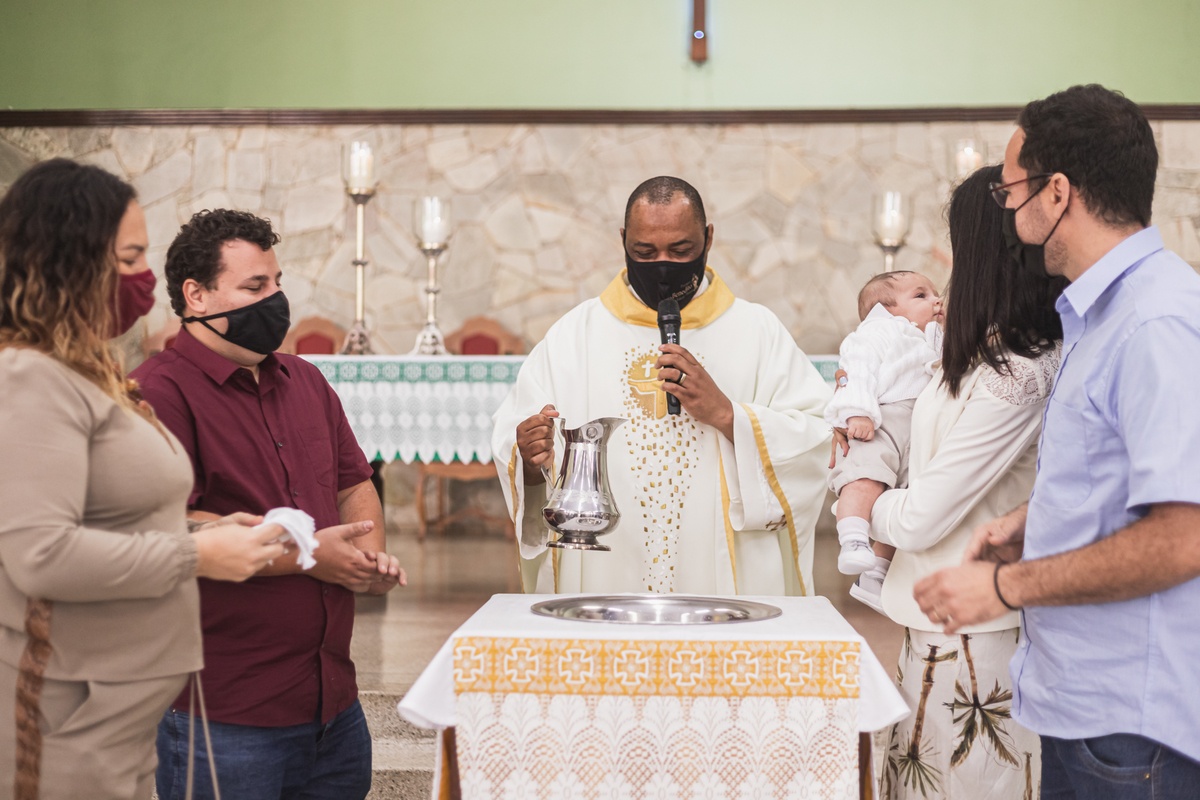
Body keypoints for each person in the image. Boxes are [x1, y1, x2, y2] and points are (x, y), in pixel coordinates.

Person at [914, 85, 1200, 797]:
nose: (1007, 212)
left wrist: (1006, 587)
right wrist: (1036, 523)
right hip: (1089, 707)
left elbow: (1182, 539)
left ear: (1058, 193)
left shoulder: (1155, 324)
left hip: (1134, 725)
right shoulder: (1102, 314)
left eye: (1012, 191)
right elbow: (1120, 486)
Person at [0, 159, 285, 800]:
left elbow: (106, 513)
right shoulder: (26, 377)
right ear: (72, 261)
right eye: (129, 258)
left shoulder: (85, 369)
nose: (144, 279)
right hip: (65, 708)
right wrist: (196, 553)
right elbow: (40, 555)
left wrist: (195, 527)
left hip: (122, 709)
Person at [131, 209, 405, 800]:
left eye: (277, 283)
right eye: (255, 287)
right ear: (196, 295)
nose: (275, 299)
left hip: (333, 703)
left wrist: (367, 559)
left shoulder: (305, 379)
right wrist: (311, 557)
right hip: (225, 712)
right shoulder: (158, 392)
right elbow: (167, 528)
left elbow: (352, 481)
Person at [492, 176, 832, 595]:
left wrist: (727, 415)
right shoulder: (574, 336)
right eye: (645, 252)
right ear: (623, 241)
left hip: (721, 579)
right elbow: (519, 436)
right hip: (606, 572)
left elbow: (817, 438)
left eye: (682, 250)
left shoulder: (758, 331)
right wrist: (528, 459)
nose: (663, 265)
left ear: (708, 238)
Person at [859, 165, 1065, 799]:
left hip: (980, 641)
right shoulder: (978, 349)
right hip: (932, 623)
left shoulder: (1018, 369)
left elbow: (924, 514)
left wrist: (868, 504)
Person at [825, 270, 943, 613]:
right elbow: (857, 368)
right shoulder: (879, 330)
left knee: (905, 499)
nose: (935, 300)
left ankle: (875, 575)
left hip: (920, 426)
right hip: (883, 418)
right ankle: (852, 540)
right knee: (864, 480)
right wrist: (857, 412)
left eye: (935, 294)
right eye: (921, 295)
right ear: (885, 310)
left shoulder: (929, 337)